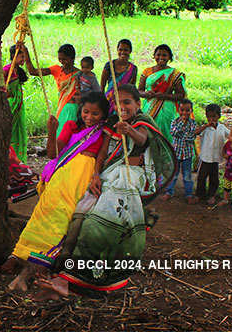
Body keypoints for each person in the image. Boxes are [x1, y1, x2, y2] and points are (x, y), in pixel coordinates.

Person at [44, 84, 175, 296]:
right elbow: (103, 153)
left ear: (137, 104)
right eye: (117, 102)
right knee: (80, 213)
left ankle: (82, 280)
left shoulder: (143, 121)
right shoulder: (112, 123)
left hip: (130, 178)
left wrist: (129, 130)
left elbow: (143, 139)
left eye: (127, 102)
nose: (122, 106)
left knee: (100, 222)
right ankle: (66, 269)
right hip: (107, 175)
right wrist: (95, 175)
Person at [3, 92, 110, 292]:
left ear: (103, 115)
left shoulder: (103, 132)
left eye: (95, 114)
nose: (89, 117)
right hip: (63, 174)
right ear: (81, 111)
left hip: (83, 178)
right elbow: (53, 154)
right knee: (43, 211)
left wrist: (96, 175)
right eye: (86, 112)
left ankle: (43, 258)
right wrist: (52, 130)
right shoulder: (71, 126)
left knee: (63, 215)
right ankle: (18, 253)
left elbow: (101, 157)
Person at [24, 44, 80, 137]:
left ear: (72, 58)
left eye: (65, 59)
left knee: (68, 133)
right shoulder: (56, 69)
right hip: (61, 107)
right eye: (60, 59)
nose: (62, 62)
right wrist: (25, 51)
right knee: (60, 133)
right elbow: (33, 71)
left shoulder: (79, 74)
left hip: (73, 109)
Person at [138, 44, 185, 141]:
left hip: (166, 109)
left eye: (164, 55)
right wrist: (146, 94)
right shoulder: (147, 72)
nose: (161, 58)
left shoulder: (174, 74)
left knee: (166, 134)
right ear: (154, 56)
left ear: (169, 58)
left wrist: (164, 95)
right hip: (149, 107)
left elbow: (181, 95)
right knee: (149, 132)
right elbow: (139, 91)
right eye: (158, 55)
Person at [194, 104, 230, 205]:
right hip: (205, 157)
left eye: (213, 116)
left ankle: (211, 195)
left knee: (214, 178)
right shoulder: (205, 128)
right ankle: (199, 194)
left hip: (216, 158)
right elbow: (196, 133)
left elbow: (231, 136)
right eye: (208, 117)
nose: (211, 119)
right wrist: (205, 125)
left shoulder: (222, 128)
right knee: (201, 177)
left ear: (219, 116)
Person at [164, 99, 196, 203]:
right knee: (174, 174)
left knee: (187, 175)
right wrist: (182, 125)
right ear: (178, 110)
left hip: (187, 154)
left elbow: (191, 137)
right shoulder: (175, 122)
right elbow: (173, 133)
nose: (184, 113)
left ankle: (189, 194)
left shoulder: (193, 123)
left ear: (191, 111)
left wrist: (184, 133)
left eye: (187, 110)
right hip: (176, 153)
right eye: (182, 110)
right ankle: (169, 192)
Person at [4, 45, 28, 163]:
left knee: (19, 131)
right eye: (21, 56)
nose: (24, 59)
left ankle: (18, 159)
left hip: (19, 106)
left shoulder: (18, 70)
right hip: (11, 105)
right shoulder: (6, 70)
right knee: (11, 131)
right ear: (14, 56)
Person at [101, 39, 138, 112]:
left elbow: (132, 87)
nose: (123, 52)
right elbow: (102, 85)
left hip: (123, 101)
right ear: (117, 50)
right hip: (109, 99)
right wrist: (102, 101)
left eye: (126, 50)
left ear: (130, 51)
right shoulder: (110, 65)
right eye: (120, 49)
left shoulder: (133, 68)